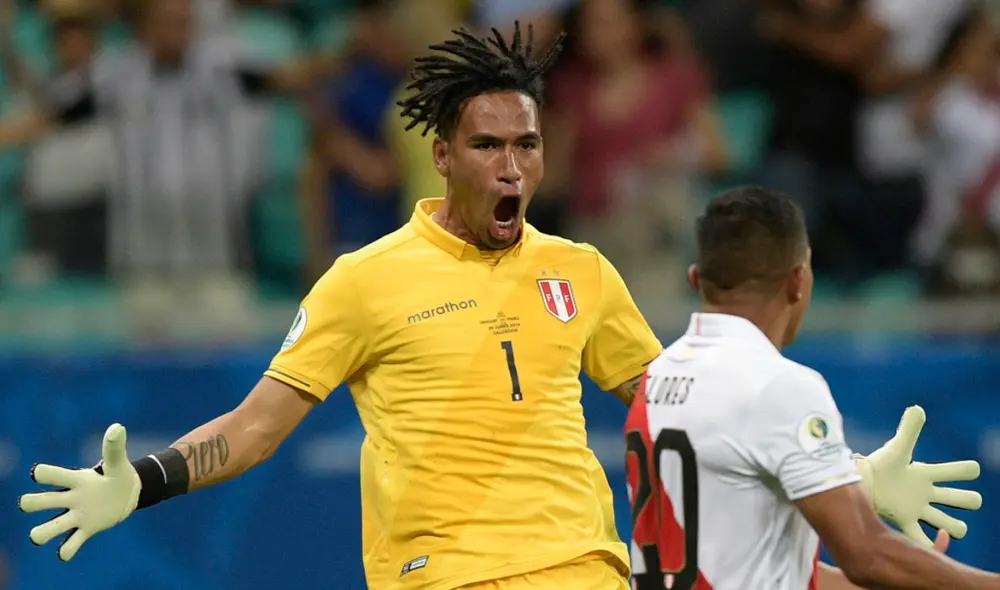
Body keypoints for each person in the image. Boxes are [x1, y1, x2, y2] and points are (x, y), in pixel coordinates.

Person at [16, 24, 983, 590]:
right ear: (442, 155)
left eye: (526, 144)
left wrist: (841, 475)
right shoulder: (366, 278)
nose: (512, 164)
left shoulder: (580, 270)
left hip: (590, 571)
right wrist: (142, 481)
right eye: (488, 146)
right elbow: (258, 428)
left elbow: (684, 412)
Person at [624, 186, 993, 589]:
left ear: (696, 279)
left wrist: (915, 580)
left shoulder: (656, 377)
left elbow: (752, 564)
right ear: (798, 280)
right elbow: (865, 553)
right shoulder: (779, 386)